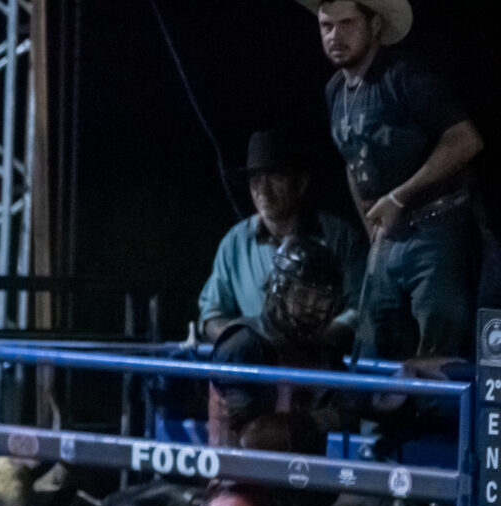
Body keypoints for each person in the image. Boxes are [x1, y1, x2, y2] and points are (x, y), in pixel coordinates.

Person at [307, 0, 484, 361]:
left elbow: (465, 139)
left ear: (374, 26)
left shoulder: (403, 77)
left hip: (436, 228)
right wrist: (370, 224)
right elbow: (352, 159)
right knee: (373, 348)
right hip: (389, 237)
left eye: (347, 24)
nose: (335, 35)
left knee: (437, 350)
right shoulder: (335, 91)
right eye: (327, 26)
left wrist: (400, 197)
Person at [196, 132, 368, 342]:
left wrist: (312, 343)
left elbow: (361, 308)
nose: (263, 190)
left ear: (301, 183)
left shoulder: (339, 236)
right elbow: (211, 316)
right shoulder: (235, 242)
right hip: (255, 358)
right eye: (255, 179)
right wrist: (245, 338)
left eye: (276, 177)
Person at [208, 235, 349, 443]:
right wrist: (325, 420)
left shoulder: (323, 351)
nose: (311, 307)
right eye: (303, 295)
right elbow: (253, 439)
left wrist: (377, 400)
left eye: (322, 299)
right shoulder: (244, 345)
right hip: (245, 463)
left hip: (305, 462)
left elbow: (349, 408)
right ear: (280, 289)